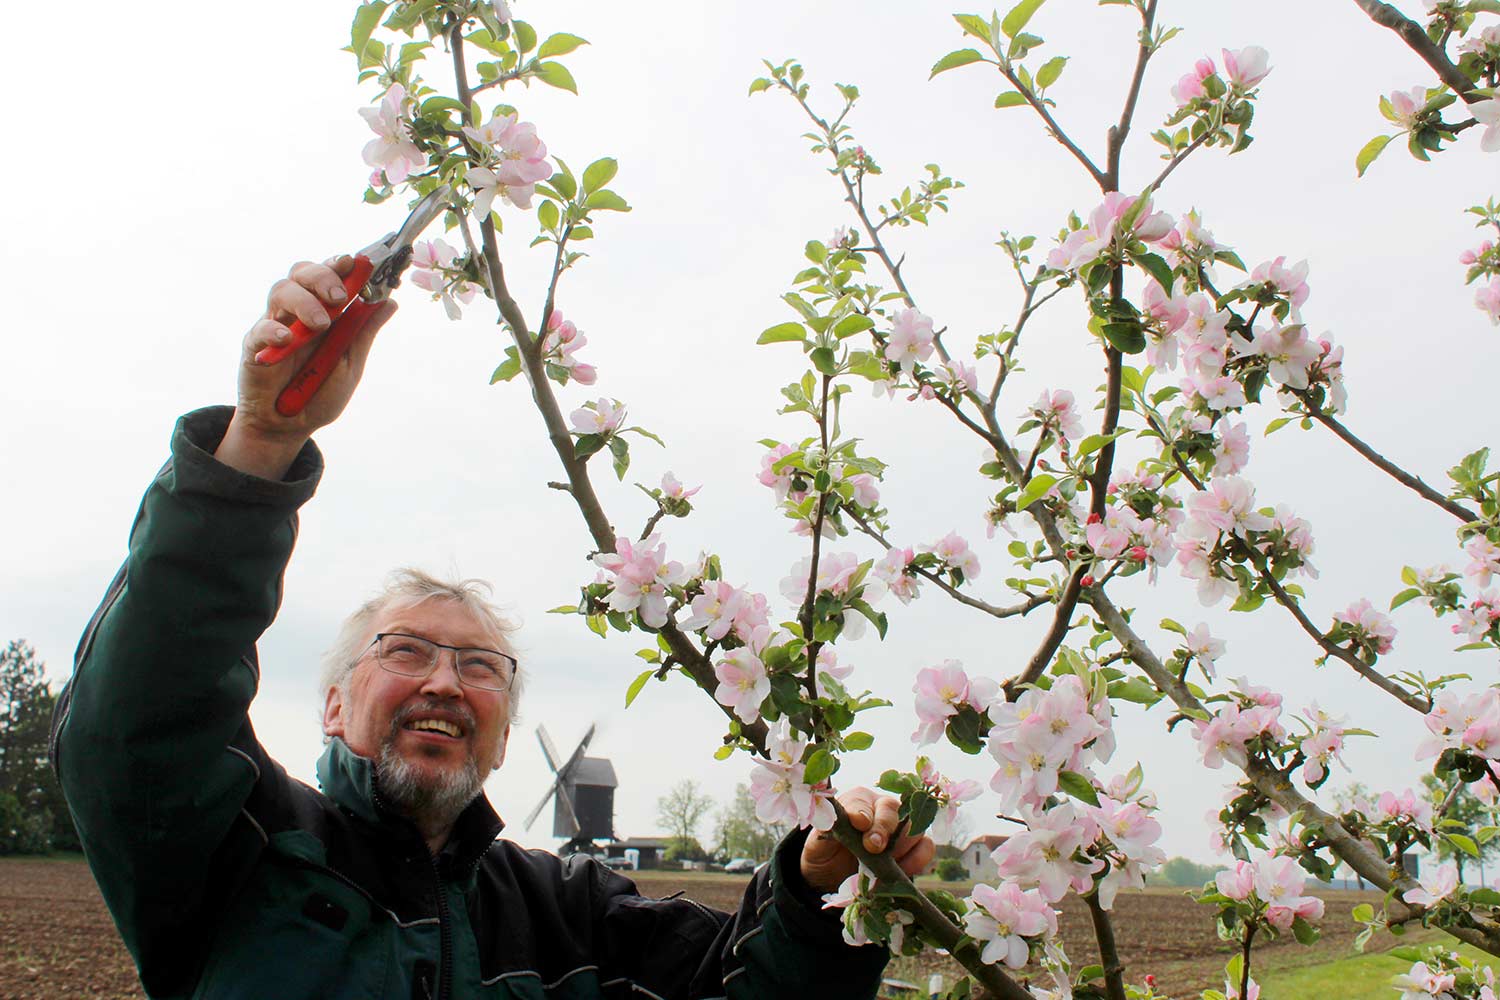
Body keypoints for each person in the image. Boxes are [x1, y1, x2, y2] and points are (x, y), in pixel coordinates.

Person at [51, 257, 935, 999]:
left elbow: (732, 984)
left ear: (506, 736)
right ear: (330, 705)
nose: (444, 682)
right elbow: (141, 710)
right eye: (405, 651)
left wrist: (818, 888)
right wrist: (257, 442)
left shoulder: (571, 911)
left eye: (481, 667)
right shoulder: (242, 849)